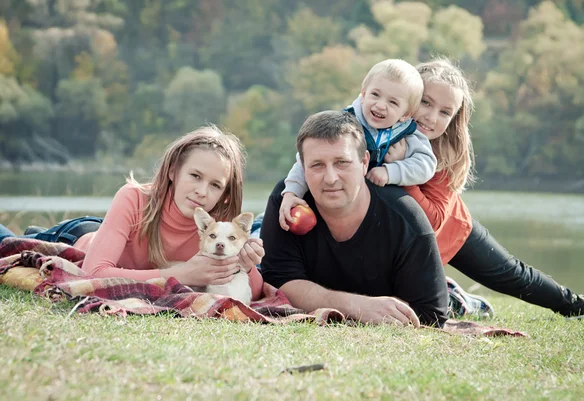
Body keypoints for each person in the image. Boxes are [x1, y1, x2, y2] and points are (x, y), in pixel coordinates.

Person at [401, 57, 584, 319]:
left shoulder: (443, 153)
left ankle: (578, 305)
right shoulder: (380, 131)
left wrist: (403, 175)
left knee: (513, 276)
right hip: (407, 247)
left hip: (451, 230)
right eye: (425, 102)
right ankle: (449, 294)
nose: (431, 116)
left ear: (453, 119)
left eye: (444, 112)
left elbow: (433, 219)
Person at [0, 127, 265, 301]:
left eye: (215, 185)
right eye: (195, 176)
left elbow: (251, 292)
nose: (201, 191)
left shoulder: (218, 232)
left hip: (115, 243)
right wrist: (181, 275)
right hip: (80, 237)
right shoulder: (134, 198)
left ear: (224, 194)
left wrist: (246, 264)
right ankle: (39, 233)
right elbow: (94, 272)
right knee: (8, 244)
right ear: (173, 171)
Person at [259, 110, 449, 328]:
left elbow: (431, 314)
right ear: (302, 168)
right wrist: (357, 306)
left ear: (364, 162)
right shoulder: (287, 202)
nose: (330, 178)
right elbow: (278, 284)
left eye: (342, 162)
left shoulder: (406, 219)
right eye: (317, 165)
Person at [279, 59, 437, 229]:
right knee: (282, 201)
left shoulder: (408, 134)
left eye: (393, 102)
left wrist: (391, 171)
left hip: (373, 206)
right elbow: (306, 160)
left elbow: (426, 165)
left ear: (406, 114)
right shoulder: (344, 125)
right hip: (335, 197)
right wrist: (292, 192)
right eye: (375, 94)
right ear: (363, 94)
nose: (380, 105)